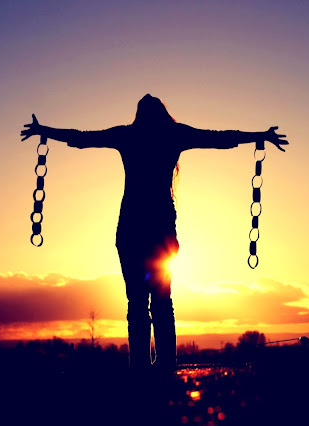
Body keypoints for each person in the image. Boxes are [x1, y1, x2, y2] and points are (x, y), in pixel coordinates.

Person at [21, 94, 288, 373]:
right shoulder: (174, 134)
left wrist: (45, 131)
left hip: (131, 228)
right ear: (163, 113)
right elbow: (219, 138)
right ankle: (165, 367)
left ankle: (140, 368)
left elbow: (83, 138)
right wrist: (260, 136)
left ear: (139, 114)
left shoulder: (129, 135)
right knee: (161, 301)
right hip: (160, 229)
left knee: (137, 303)